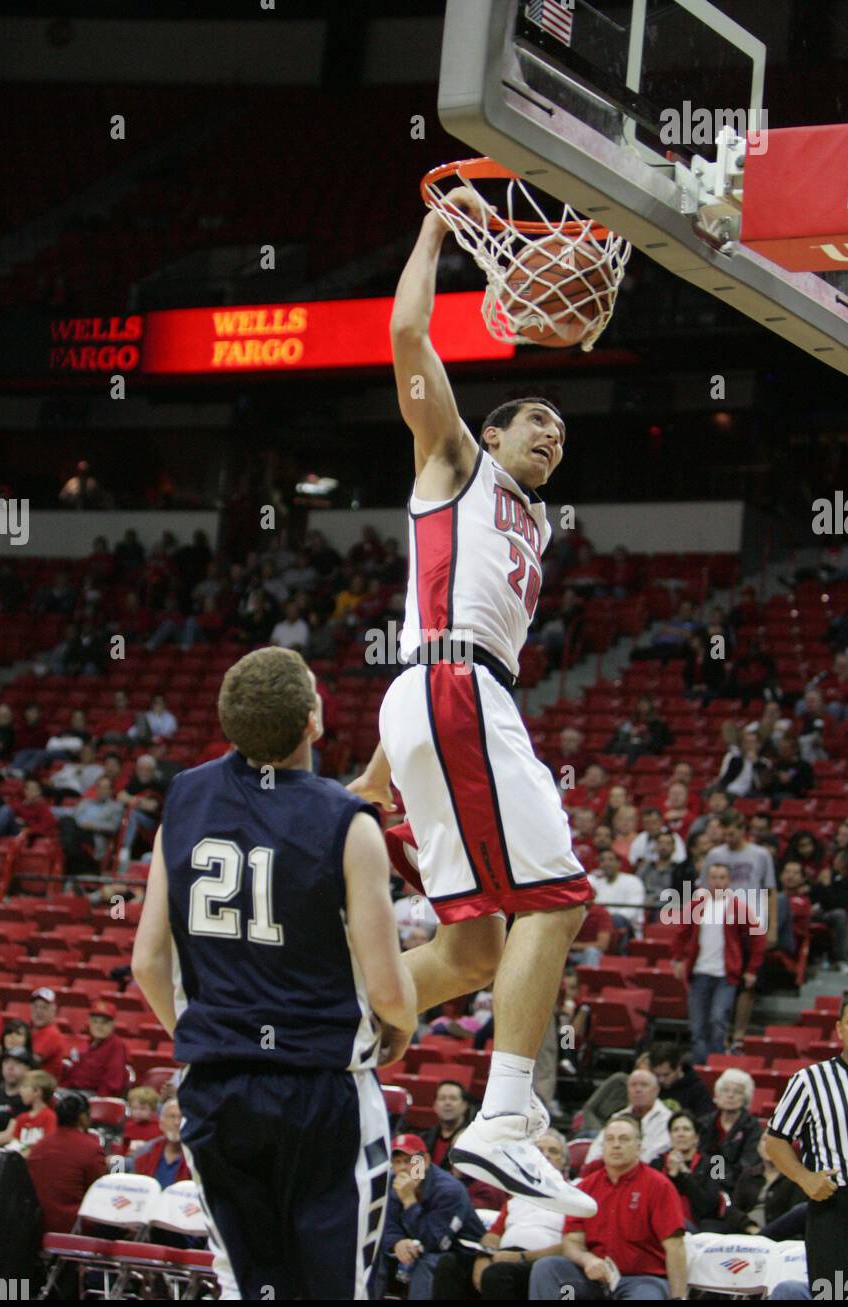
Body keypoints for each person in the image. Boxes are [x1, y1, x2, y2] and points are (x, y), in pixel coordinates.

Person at [344, 185, 596, 1218]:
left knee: (478, 947)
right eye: (534, 419)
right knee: (558, 893)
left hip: (443, 693)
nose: (550, 435)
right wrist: (437, 233)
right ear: (486, 433)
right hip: (452, 684)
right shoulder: (451, 465)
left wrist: (374, 769)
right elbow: (406, 329)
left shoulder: (531, 528)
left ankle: (331, 1016)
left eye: (562, 430)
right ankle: (500, 1115)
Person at [131, 645, 417, 1300]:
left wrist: (210, 1036)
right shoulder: (349, 823)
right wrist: (401, 1026)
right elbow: (386, 990)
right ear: (314, 720)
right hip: (323, 1095)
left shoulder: (182, 799)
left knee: (248, 1288)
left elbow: (147, 961)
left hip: (216, 1090)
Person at [529, 1116, 688, 1300]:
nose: (616, 1145)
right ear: (602, 1146)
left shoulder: (659, 1186)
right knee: (547, 1268)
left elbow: (675, 1248)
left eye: (624, 1139)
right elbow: (572, 1242)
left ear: (639, 1146)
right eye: (610, 1139)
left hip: (643, 1279)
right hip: (594, 1278)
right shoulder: (585, 1188)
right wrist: (588, 1260)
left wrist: (678, 1297)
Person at [765, 992, 848, 1298]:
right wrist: (805, 1178)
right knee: (836, 1296)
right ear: (839, 1028)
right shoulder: (810, 1080)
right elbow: (775, 1140)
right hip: (837, 1208)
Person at [672, 862, 765, 1064]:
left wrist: (752, 970)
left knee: (717, 1020)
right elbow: (681, 934)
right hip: (699, 972)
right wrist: (678, 959)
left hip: (726, 974)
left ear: (729, 881)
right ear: (707, 880)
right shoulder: (696, 906)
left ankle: (716, 1065)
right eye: (713, 878)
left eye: (722, 878)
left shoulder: (739, 907)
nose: (717, 882)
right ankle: (700, 1069)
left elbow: (758, 938)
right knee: (697, 1027)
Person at [701, 809, 777, 1047]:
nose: (728, 838)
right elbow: (702, 889)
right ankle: (720, 1034)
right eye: (725, 833)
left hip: (752, 919)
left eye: (732, 833)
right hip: (721, 923)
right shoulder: (715, 854)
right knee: (723, 976)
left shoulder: (760, 855)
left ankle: (740, 1035)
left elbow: (770, 891)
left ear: (743, 831)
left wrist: (771, 926)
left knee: (748, 981)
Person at [379, 1133, 487, 1300]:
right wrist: (397, 1242)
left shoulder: (449, 1190)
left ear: (426, 1161)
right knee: (378, 1256)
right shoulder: (392, 1183)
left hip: (462, 1255)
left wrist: (409, 1200)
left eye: (409, 1161)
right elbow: (386, 1225)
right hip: (420, 1248)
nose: (402, 1168)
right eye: (397, 1162)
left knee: (427, 1261)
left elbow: (435, 1243)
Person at [472, 1131, 570, 1300]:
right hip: (503, 1257)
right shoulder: (516, 1196)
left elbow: (571, 1246)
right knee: (450, 1264)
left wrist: (520, 1257)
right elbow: (493, 1234)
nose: (545, 1155)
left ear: (564, 1164)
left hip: (541, 1263)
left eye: (553, 1151)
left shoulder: (575, 1198)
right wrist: (483, 1257)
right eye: (539, 1150)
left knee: (498, 1274)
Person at [27, 1092, 107, 1233]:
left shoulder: (39, 1145)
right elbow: (100, 1193)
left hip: (35, 1225)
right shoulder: (91, 1148)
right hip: (73, 1226)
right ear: (83, 1117)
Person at [650, 1110, 724, 1230]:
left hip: (698, 1227)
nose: (681, 1134)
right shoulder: (656, 1163)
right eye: (676, 1130)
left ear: (696, 1138)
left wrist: (684, 1173)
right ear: (670, 1137)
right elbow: (652, 1203)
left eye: (686, 1129)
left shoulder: (716, 1163)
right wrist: (672, 1176)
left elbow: (710, 1207)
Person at [584, 1070, 671, 1165]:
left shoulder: (667, 1119)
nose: (638, 1090)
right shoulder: (617, 1117)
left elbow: (651, 1155)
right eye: (633, 1085)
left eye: (644, 1085)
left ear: (656, 1090)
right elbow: (595, 1153)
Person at [698, 1070, 762, 1195]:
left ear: (745, 1098)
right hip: (703, 1183)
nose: (730, 1095)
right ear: (717, 1094)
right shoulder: (704, 1123)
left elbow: (747, 1166)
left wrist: (718, 1180)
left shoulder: (753, 1128)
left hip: (735, 1188)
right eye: (726, 1090)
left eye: (737, 1092)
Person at [63, 1001, 127, 1097]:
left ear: (113, 1024)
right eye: (95, 1021)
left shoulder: (116, 1045)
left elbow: (113, 1083)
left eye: (104, 1023)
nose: (98, 1026)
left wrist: (98, 1102)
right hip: (74, 1091)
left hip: (94, 1096)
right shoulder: (86, 1044)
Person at [0, 1068, 57, 1153]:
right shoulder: (22, 1118)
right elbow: (14, 1141)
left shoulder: (49, 1116)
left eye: (24, 1087)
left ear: (37, 1091)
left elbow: (48, 1143)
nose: (20, 1091)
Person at [588, 848, 645, 941]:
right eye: (602, 860)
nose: (606, 863)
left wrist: (604, 918)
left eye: (611, 860)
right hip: (599, 927)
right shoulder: (596, 880)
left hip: (627, 928)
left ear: (619, 863)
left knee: (616, 919)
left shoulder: (632, 881)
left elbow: (631, 912)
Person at [130, 1098, 191, 1185]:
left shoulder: (196, 1158)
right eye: (171, 1117)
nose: (177, 1122)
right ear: (161, 1123)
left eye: (181, 1117)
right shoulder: (144, 1152)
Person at [648, 1042, 713, 1118]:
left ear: (679, 1067)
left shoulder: (697, 1089)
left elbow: (704, 1120)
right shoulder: (650, 1087)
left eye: (666, 1075)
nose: (661, 1080)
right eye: (657, 1075)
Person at [418, 1080, 472, 1171]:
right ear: (435, 1106)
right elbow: (415, 1174)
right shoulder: (424, 1138)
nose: (447, 1103)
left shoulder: (470, 1138)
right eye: (442, 1098)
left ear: (464, 1105)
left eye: (453, 1098)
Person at [0, 1045, 31, 1143]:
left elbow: (9, 1135)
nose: (10, 1067)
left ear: (27, 1069)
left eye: (17, 1063)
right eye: (6, 1062)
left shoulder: (25, 1100)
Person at [29, 988, 66, 1081]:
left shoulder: (51, 1033)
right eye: (35, 1007)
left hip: (41, 1088)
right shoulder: (32, 1030)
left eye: (44, 1007)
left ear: (54, 1010)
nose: (38, 1012)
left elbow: (32, 1061)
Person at [122, 1085, 162, 1154]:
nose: (137, 1112)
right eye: (134, 1108)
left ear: (152, 1110)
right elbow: (124, 1149)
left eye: (142, 1109)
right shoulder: (128, 1125)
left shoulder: (159, 1127)